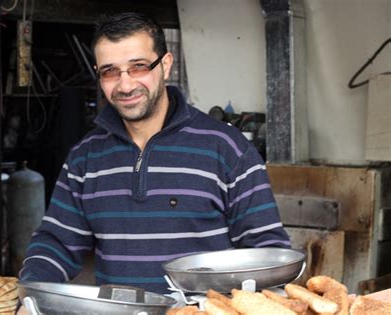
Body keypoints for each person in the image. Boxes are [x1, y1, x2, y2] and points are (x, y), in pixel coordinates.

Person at [19, 11, 290, 298]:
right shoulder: (85, 157)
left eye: (139, 67)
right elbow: (57, 243)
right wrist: (30, 295)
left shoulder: (226, 147)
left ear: (166, 65)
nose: (125, 85)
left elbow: (267, 253)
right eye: (110, 71)